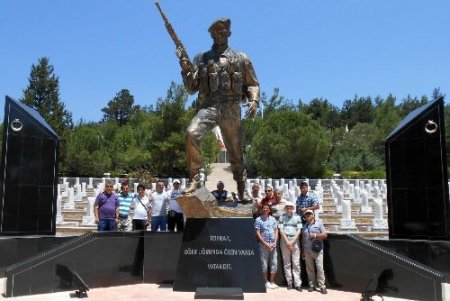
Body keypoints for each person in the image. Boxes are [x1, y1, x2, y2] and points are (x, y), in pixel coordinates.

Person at [179, 18, 260, 204]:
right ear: (211, 34)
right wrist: (185, 67)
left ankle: (241, 189)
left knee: (236, 152)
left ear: (228, 34)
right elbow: (191, 88)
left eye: (223, 31)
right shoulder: (202, 58)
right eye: (216, 31)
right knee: (191, 133)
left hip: (231, 108)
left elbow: (252, 83)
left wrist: (254, 100)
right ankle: (195, 179)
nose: (219, 34)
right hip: (209, 106)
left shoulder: (241, 58)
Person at [302, 209, 328, 294]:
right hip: (307, 250)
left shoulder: (319, 223)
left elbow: (325, 235)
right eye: (306, 214)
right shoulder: (304, 226)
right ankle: (312, 285)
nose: (308, 215)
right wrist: (302, 250)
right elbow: (303, 239)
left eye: (309, 214)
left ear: (313, 215)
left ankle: (322, 286)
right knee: (310, 269)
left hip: (318, 249)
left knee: (320, 268)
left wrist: (315, 235)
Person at [278, 201, 302, 291]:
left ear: (293, 208)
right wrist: (288, 242)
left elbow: (299, 231)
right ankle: (289, 283)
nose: (289, 208)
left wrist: (291, 242)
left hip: (294, 241)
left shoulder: (297, 217)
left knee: (296, 263)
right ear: (285, 208)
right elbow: (281, 230)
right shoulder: (282, 217)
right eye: (287, 207)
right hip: (285, 241)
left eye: (290, 207)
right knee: (287, 263)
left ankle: (298, 284)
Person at [255, 204, 279, 290]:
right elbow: (258, 232)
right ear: (262, 210)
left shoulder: (273, 219)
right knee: (264, 264)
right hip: (263, 245)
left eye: (267, 208)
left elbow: (276, 231)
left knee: (274, 263)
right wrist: (265, 243)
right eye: (264, 208)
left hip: (273, 245)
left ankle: (272, 281)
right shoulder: (258, 219)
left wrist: (275, 242)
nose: (265, 209)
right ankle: (266, 282)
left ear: (269, 210)